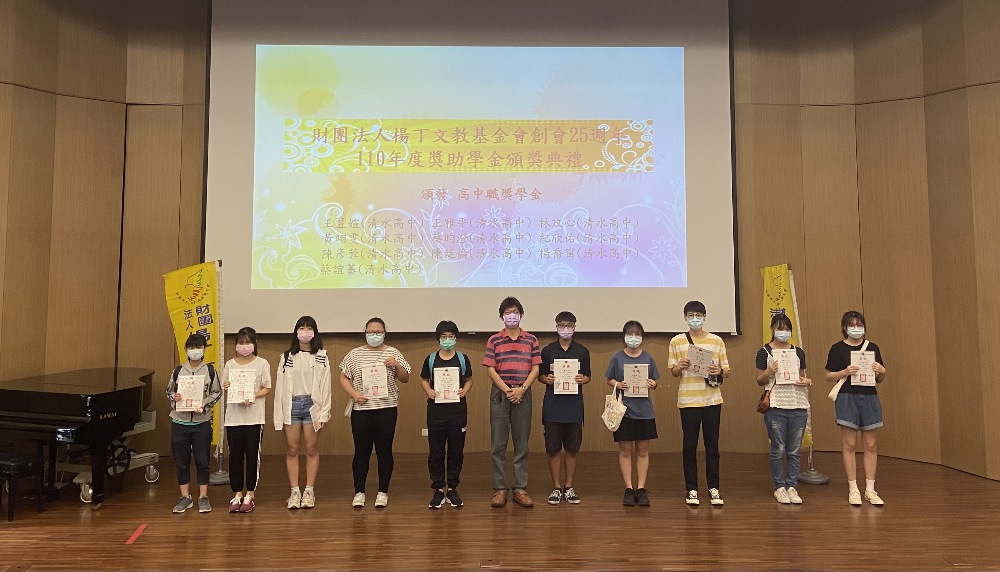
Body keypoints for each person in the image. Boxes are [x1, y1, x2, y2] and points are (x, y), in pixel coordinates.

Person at [340, 317, 411, 508]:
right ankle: (359, 492)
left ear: (385, 333)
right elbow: (343, 377)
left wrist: (397, 365)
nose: (374, 335)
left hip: (386, 409)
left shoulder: (393, 352)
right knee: (361, 451)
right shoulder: (355, 354)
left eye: (378, 332)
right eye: (371, 332)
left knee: (384, 451)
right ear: (365, 333)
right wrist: (354, 394)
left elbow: (405, 378)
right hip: (362, 410)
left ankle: (382, 492)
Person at [668, 300, 730, 507]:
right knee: (689, 446)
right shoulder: (677, 341)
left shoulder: (717, 341)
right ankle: (692, 489)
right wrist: (680, 366)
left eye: (698, 315)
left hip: (712, 399)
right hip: (688, 400)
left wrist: (719, 370)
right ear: (685, 317)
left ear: (704, 317)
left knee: (712, 447)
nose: (695, 319)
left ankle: (714, 488)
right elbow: (674, 372)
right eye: (691, 315)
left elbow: (726, 371)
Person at [824, 310, 887, 506]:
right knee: (849, 444)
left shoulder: (872, 347)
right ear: (844, 327)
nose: (856, 328)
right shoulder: (837, 348)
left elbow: (880, 378)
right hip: (847, 397)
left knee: (871, 445)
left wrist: (881, 371)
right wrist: (844, 372)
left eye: (859, 325)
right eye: (852, 325)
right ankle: (853, 489)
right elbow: (828, 376)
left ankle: (870, 489)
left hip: (869, 397)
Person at [484, 296, 541, 508]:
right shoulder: (494, 340)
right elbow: (490, 369)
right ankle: (500, 489)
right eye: (507, 312)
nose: (512, 316)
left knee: (522, 443)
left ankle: (519, 488)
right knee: (498, 444)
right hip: (501, 394)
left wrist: (521, 389)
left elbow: (536, 368)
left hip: (523, 393)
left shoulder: (531, 340)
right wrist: (508, 390)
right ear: (501, 317)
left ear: (521, 315)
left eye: (515, 312)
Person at [273, 316, 332, 510]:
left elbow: (326, 387)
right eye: (301, 328)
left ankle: (309, 491)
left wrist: (324, 413)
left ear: (314, 332)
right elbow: (280, 388)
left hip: (311, 406)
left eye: (309, 328)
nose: (305, 332)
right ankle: (294, 491)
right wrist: (279, 414)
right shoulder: (286, 357)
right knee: (292, 448)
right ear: (296, 331)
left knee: (311, 448)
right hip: (292, 405)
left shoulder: (321, 356)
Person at [754, 314, 811, 504]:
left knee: (794, 450)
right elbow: (759, 380)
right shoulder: (764, 352)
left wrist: (807, 381)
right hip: (776, 405)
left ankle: (792, 486)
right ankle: (779, 486)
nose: (783, 332)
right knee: (778, 449)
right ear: (772, 329)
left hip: (798, 405)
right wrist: (769, 371)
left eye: (787, 329)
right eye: (780, 328)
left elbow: (802, 377)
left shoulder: (798, 352)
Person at [538, 311, 591, 505]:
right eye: (562, 325)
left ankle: (569, 487)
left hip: (574, 407)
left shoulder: (582, 351)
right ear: (556, 326)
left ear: (575, 327)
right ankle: (556, 487)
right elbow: (540, 375)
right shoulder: (548, 351)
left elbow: (588, 376)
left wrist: (582, 379)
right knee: (553, 449)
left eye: (569, 325)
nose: (565, 328)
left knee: (571, 449)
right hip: (553, 407)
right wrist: (547, 379)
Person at [166, 333, 223, 514]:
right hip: (179, 422)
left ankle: (203, 497)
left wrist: (204, 404)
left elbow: (217, 392)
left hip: (201, 423)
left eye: (198, 347)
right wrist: (175, 397)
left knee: (202, 461)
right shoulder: (178, 371)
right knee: (181, 462)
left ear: (204, 349)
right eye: (192, 347)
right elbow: (169, 391)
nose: (195, 351)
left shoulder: (210, 371)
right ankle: (185, 497)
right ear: (186, 350)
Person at [419, 320, 473, 509]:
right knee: (436, 451)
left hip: (457, 411)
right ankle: (438, 489)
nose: (447, 340)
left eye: (451, 336)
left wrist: (465, 390)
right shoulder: (431, 359)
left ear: (456, 338)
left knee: (456, 451)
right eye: (444, 337)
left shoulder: (463, 358)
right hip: (436, 411)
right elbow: (424, 379)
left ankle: (452, 488)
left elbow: (469, 380)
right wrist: (428, 390)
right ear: (438, 339)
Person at [606, 320, 660, 506]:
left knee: (643, 450)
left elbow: (654, 381)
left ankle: (641, 488)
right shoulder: (617, 357)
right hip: (624, 411)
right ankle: (629, 488)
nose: (634, 337)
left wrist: (653, 384)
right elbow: (609, 379)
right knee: (625, 450)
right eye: (630, 333)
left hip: (644, 411)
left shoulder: (648, 358)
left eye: (637, 334)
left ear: (642, 337)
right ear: (624, 336)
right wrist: (618, 384)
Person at [222, 327, 272, 513]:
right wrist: (227, 386)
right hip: (233, 418)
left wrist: (252, 395)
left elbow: (267, 387)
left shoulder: (262, 363)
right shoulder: (230, 364)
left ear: (254, 344)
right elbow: (225, 385)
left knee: (252, 455)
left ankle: (250, 493)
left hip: (254, 418)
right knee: (235, 456)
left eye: (248, 342)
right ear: (236, 345)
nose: (244, 346)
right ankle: (237, 493)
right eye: (241, 343)